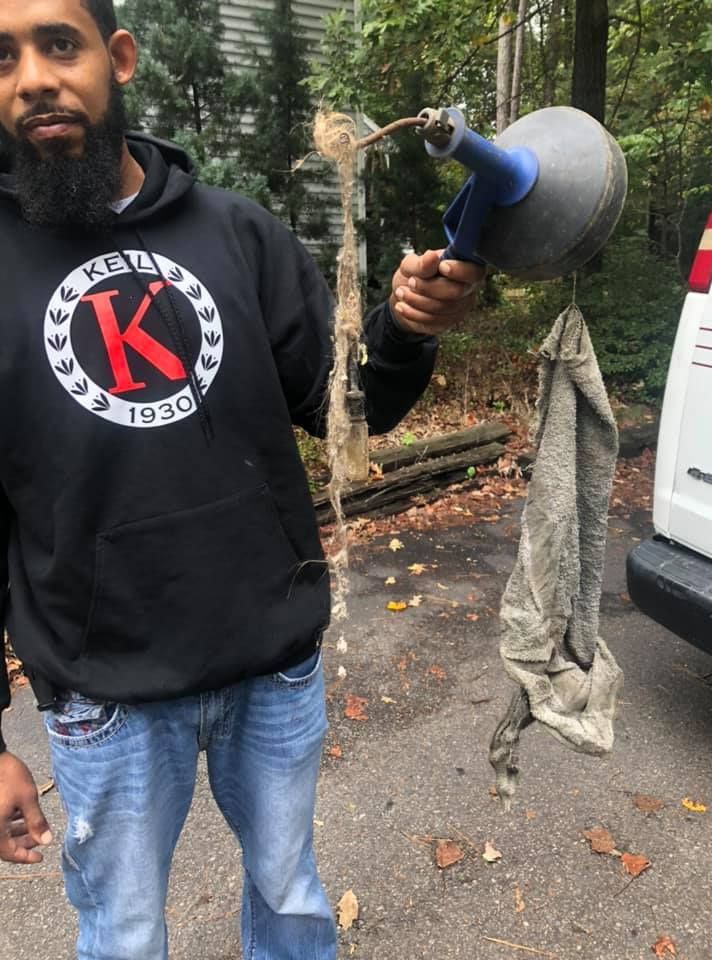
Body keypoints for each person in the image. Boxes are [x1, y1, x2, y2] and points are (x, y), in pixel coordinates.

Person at [0, 1, 485, 957]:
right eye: (3, 58)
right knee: (124, 935)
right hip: (105, 695)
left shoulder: (239, 235)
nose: (33, 79)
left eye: (61, 45)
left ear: (119, 58)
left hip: (274, 664)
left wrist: (406, 330)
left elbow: (347, 410)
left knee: (293, 898)